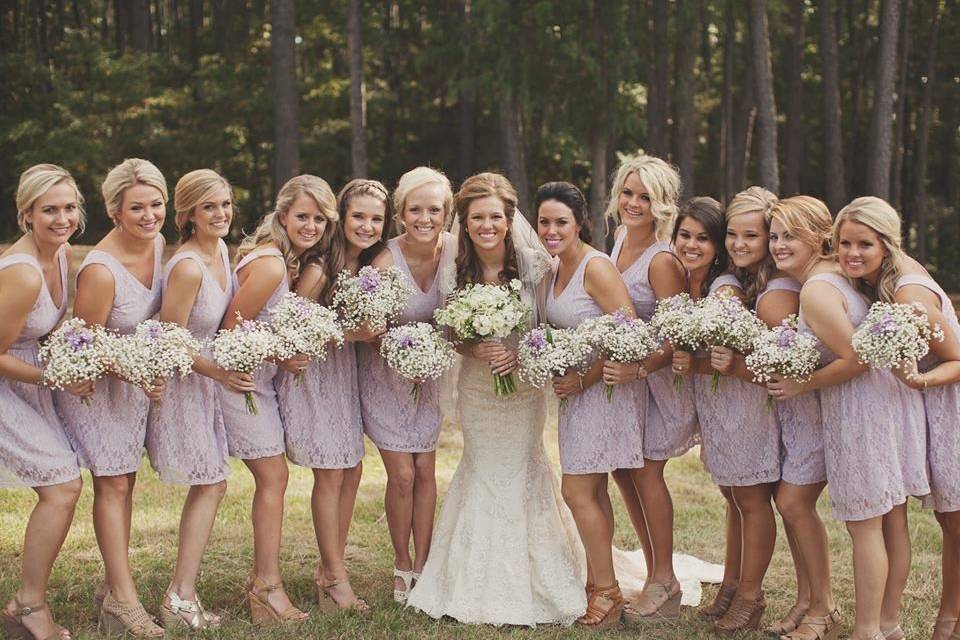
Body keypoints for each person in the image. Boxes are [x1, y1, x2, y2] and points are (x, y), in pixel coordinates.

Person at [405, 172, 586, 625]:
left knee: (523, 468)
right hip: (478, 389)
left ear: (510, 220)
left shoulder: (535, 264)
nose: (487, 225)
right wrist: (474, 346)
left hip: (522, 389)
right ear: (464, 223)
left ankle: (537, 576)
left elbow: (548, 327)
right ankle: (469, 576)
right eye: (477, 217)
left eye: (496, 217)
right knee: (482, 469)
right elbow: (449, 333)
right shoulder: (455, 266)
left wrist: (519, 352)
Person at [56, 158, 167, 637]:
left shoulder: (159, 245)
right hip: (97, 392)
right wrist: (134, 369)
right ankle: (124, 601)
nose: (149, 216)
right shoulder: (101, 271)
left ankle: (110, 586)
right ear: (115, 211)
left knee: (126, 484)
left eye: (156, 204)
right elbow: (81, 344)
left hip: (133, 389)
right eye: (137, 207)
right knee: (113, 486)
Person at [222, 174, 333, 625]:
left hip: (258, 380)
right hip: (238, 382)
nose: (310, 225)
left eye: (319, 219)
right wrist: (283, 354)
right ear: (282, 215)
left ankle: (263, 583)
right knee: (273, 478)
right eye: (302, 216)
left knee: (275, 479)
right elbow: (230, 332)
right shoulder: (269, 264)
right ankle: (265, 586)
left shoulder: (284, 260)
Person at [538, 181, 644, 628]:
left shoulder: (594, 267)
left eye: (560, 222)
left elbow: (628, 329)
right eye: (544, 221)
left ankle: (607, 591)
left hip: (602, 394)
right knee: (594, 492)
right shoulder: (554, 268)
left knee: (576, 491)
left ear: (580, 223)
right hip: (576, 396)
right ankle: (600, 581)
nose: (550, 229)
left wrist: (585, 377)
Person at [147, 168, 241, 629]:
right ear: (188, 214)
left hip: (207, 383)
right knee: (210, 484)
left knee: (214, 483)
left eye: (225, 204)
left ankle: (184, 592)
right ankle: (178, 598)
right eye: (209, 207)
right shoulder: (187, 266)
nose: (221, 214)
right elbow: (170, 337)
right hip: (185, 383)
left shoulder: (221, 249)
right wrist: (218, 372)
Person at [357, 167, 456, 603]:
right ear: (400, 214)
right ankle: (401, 564)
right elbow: (368, 326)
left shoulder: (456, 252)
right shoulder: (384, 261)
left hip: (429, 379)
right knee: (401, 475)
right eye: (415, 209)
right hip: (385, 377)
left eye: (434, 209)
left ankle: (425, 564)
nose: (425, 217)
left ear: (446, 213)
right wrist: (399, 350)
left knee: (425, 471)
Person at [0, 164, 90, 640]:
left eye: (69, 208)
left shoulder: (62, 254)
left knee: (62, 486)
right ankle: (27, 604)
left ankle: (26, 600)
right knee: (61, 486)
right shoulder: (22, 274)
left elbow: (51, 329)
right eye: (49, 210)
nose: (61, 218)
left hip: (31, 378)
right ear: (27, 214)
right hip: (8, 382)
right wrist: (54, 377)